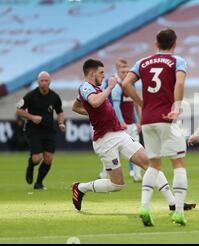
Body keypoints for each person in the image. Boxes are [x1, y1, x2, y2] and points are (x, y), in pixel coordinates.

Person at [71, 58, 186, 226]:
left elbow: (76, 106)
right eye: (101, 73)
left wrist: (92, 113)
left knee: (149, 162)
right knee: (117, 185)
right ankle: (81, 187)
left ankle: (173, 203)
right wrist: (109, 87)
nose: (103, 76)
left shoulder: (93, 88)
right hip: (104, 140)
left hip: (119, 133)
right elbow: (93, 102)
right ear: (92, 73)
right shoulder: (85, 87)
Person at [122, 28, 189, 226]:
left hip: (149, 119)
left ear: (156, 44)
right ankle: (178, 211)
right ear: (174, 44)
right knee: (178, 163)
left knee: (154, 164)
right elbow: (179, 83)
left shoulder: (142, 62)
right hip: (167, 117)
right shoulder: (178, 61)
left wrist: (142, 103)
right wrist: (176, 106)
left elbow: (126, 83)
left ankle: (144, 206)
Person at [16, 71, 65, 190]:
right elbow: (19, 110)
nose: (43, 83)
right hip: (33, 130)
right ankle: (31, 165)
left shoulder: (54, 97)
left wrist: (61, 123)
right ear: (38, 82)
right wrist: (32, 117)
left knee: (48, 158)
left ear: (50, 82)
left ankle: (39, 183)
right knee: (37, 158)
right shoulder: (31, 95)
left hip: (49, 131)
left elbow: (60, 111)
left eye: (46, 81)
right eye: (41, 81)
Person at [110, 59, 142, 182]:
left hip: (132, 125)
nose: (126, 74)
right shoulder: (118, 88)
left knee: (137, 149)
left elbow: (133, 106)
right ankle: (107, 173)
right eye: (123, 72)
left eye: (128, 72)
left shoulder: (132, 86)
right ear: (119, 72)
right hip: (121, 126)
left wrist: (137, 121)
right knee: (115, 151)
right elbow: (116, 107)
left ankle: (137, 175)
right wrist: (121, 122)